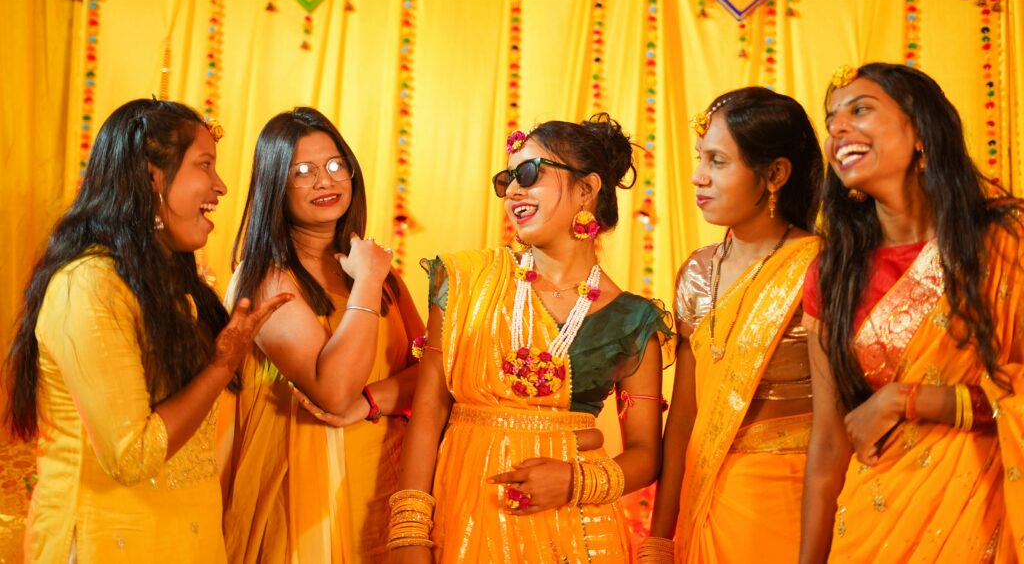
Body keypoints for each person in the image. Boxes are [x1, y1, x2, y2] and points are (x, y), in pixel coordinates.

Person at [4, 99, 290, 563]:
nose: (220, 186)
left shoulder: (170, 286)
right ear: (153, 176)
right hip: (106, 542)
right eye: (204, 165)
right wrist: (221, 365)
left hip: (185, 538)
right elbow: (132, 455)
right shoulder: (90, 286)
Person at [388, 115, 673, 563]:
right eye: (507, 180)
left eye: (529, 174)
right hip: (464, 517)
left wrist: (574, 480)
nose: (513, 192)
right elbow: (429, 410)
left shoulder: (631, 320)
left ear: (586, 189)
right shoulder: (466, 281)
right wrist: (407, 532)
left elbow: (645, 453)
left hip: (575, 531)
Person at [799, 63, 1024, 562]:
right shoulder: (831, 273)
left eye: (860, 110)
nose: (838, 128)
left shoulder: (1005, 247)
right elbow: (830, 444)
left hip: (983, 515)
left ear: (920, 132)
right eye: (832, 118)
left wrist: (908, 400)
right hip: (871, 523)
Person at [222, 107, 423, 563]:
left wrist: (371, 400)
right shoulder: (266, 279)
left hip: (385, 481)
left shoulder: (371, 271)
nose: (325, 181)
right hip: (307, 495)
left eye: (335, 166)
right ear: (275, 184)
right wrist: (369, 283)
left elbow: (434, 370)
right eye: (303, 172)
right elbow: (333, 390)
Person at [640, 88, 823, 563]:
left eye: (718, 161)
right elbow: (682, 419)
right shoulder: (698, 273)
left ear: (776, 174)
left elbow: (839, 418)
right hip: (707, 509)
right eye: (701, 158)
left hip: (794, 508)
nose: (698, 177)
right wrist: (660, 537)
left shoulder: (822, 267)